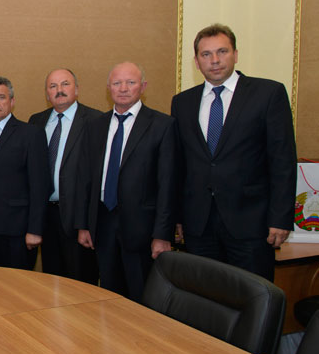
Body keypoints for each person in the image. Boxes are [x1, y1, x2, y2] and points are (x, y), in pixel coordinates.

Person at [171, 24, 296, 281]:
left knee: (252, 296)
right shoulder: (182, 102)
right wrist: (177, 217)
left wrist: (281, 218)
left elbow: (282, 161)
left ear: (235, 55)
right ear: (196, 62)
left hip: (251, 224)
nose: (215, 60)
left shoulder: (268, 94)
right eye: (206, 54)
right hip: (199, 225)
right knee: (204, 296)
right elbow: (179, 165)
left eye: (222, 51)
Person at [77, 62, 176, 301]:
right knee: (110, 297)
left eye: (130, 82)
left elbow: (168, 184)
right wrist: (84, 224)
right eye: (117, 83)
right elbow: (86, 179)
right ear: (108, 88)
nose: (123, 88)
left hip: (143, 230)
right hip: (103, 224)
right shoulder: (95, 125)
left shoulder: (162, 125)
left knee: (142, 298)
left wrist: (162, 234)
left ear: (143, 86)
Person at [28, 69, 101, 284]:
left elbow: (96, 177)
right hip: (46, 216)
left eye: (65, 84)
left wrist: (86, 224)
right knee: (51, 281)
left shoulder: (95, 120)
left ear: (76, 89)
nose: (59, 90)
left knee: (80, 283)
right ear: (47, 93)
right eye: (53, 86)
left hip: (78, 220)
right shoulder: (36, 121)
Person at [0, 76, 48, 270]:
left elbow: (40, 186)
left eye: (1, 97)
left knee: (18, 285)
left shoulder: (31, 134)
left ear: (12, 101)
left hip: (18, 231)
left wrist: (35, 229)